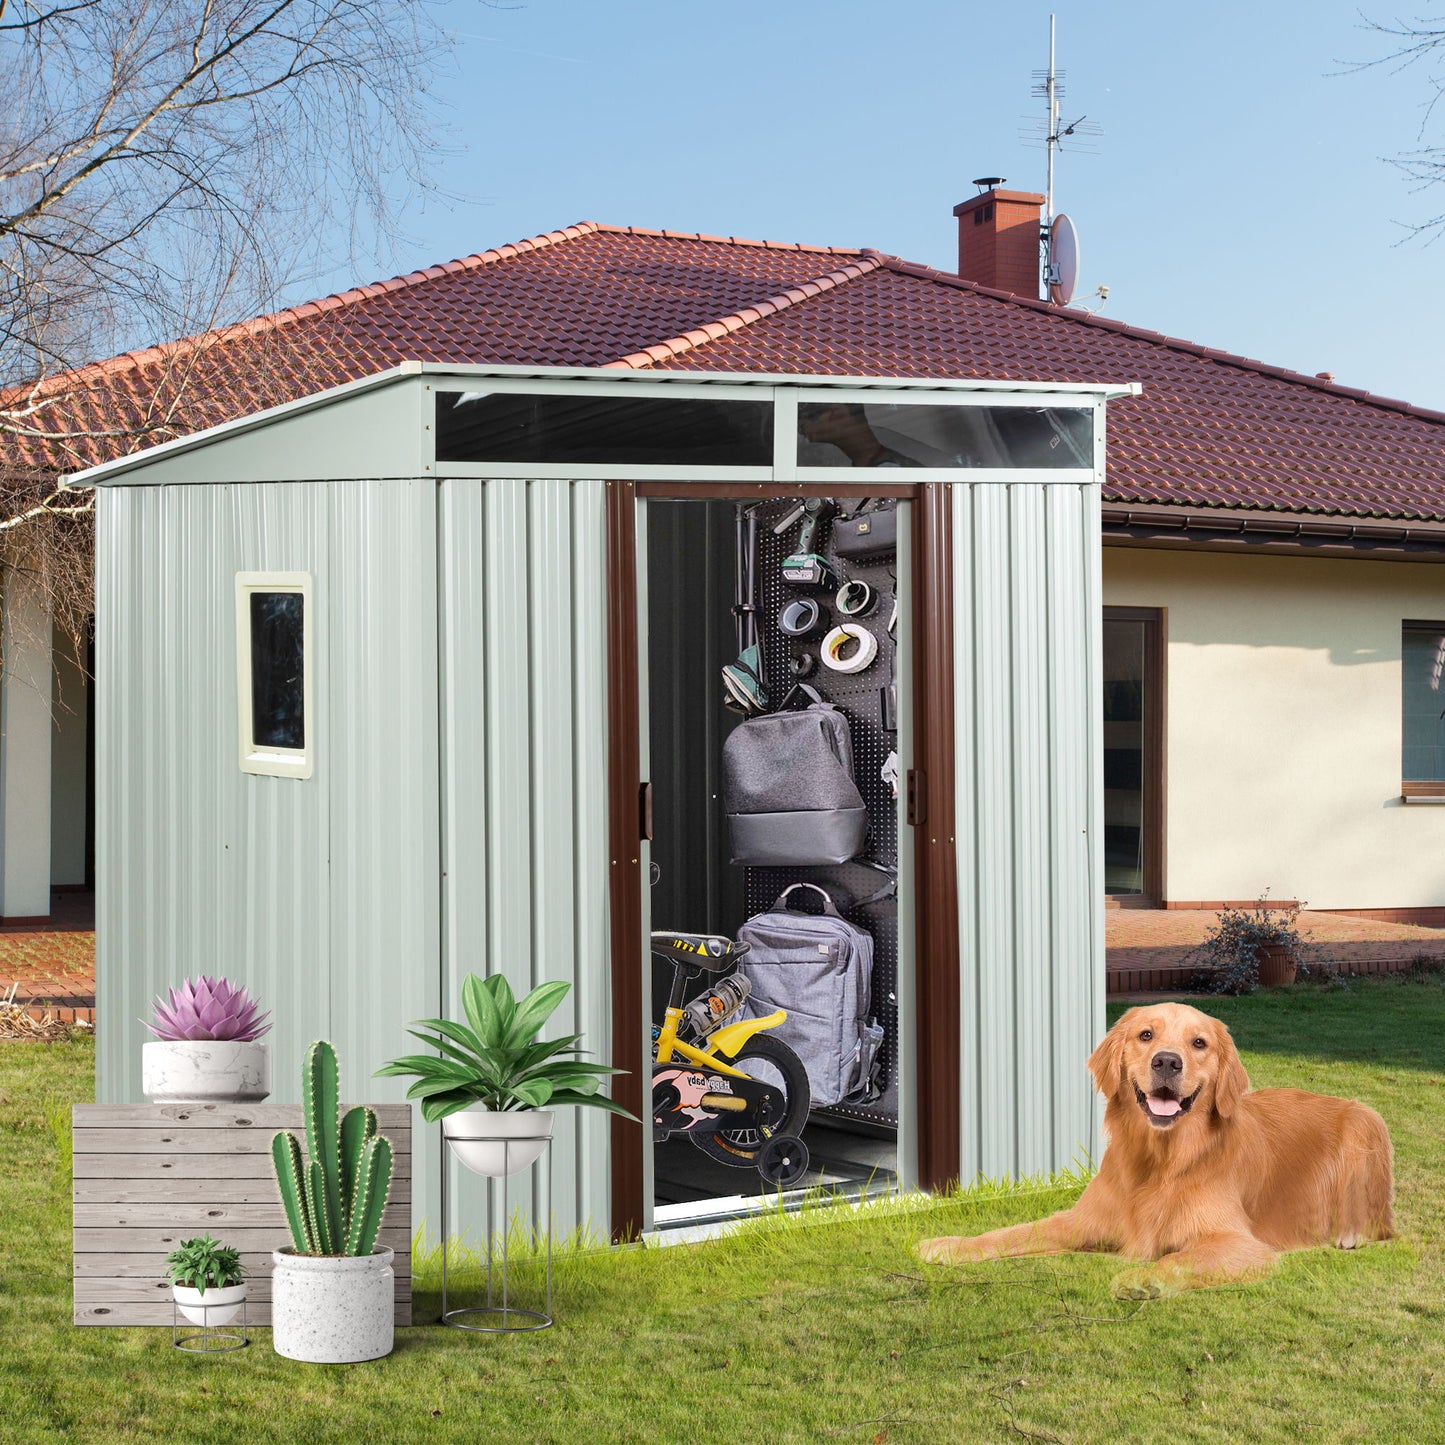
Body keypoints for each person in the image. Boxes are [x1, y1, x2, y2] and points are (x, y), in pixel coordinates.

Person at [797, 403, 921, 468]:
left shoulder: (892, 471)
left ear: (838, 412)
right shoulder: (878, 464)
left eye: (807, 416)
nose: (800, 429)